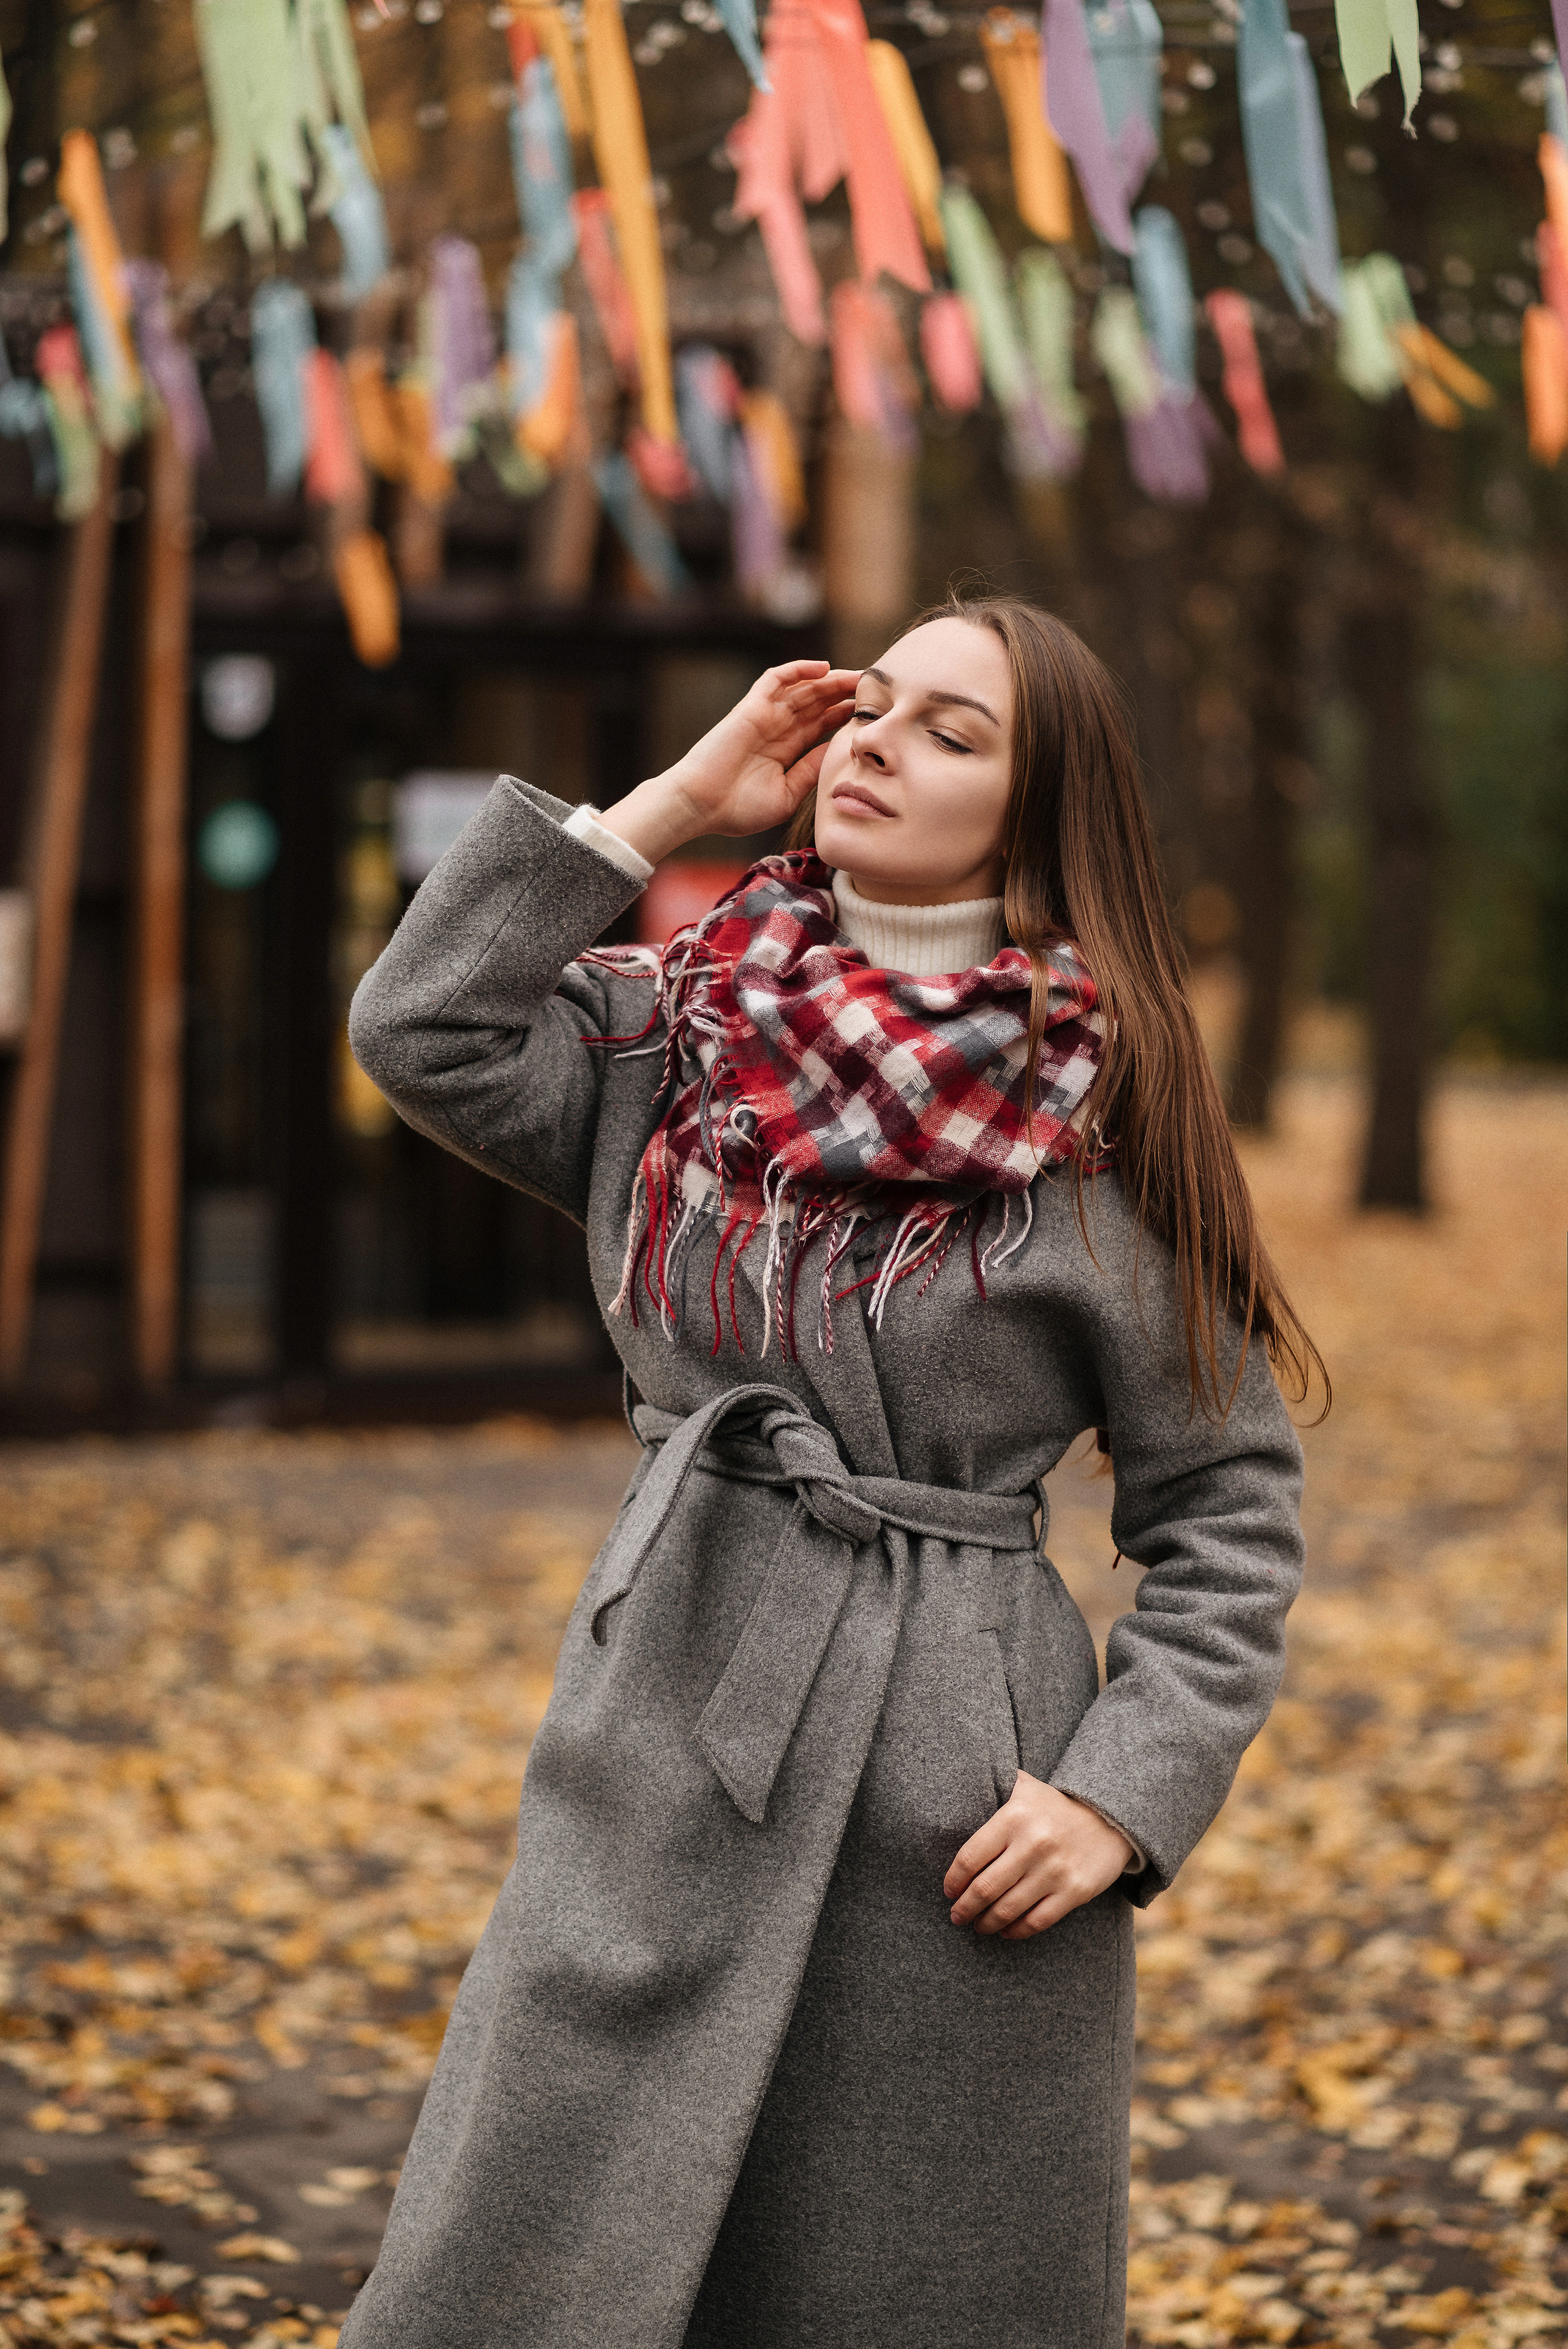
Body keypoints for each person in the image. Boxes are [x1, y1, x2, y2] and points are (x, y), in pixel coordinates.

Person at [341, 592, 1316, 2349]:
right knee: (530, 2265)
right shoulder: (674, 1038)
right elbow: (422, 1028)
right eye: (873, 705)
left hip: (959, 1802)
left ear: (1042, 816)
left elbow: (1229, 1505)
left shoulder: (1107, 1126)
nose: (878, 741)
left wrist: (1117, 1792)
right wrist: (672, 803)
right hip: (664, 1724)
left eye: (954, 731)